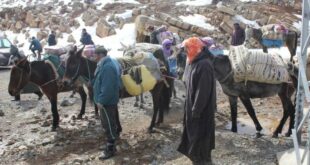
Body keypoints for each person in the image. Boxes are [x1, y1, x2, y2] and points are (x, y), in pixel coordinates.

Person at [177, 37, 216, 165]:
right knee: (194, 133)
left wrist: (196, 109)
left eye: (187, 49)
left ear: (194, 48)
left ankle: (202, 160)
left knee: (200, 134)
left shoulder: (204, 65)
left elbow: (202, 91)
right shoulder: (195, 62)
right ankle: (198, 158)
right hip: (193, 106)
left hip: (201, 110)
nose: (186, 52)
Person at [93, 46, 121, 160]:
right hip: (106, 102)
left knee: (109, 124)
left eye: (95, 55)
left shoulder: (107, 67)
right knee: (107, 124)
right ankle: (110, 145)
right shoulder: (104, 65)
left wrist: (101, 101)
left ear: (100, 55)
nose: (94, 57)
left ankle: (111, 149)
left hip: (107, 102)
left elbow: (108, 87)